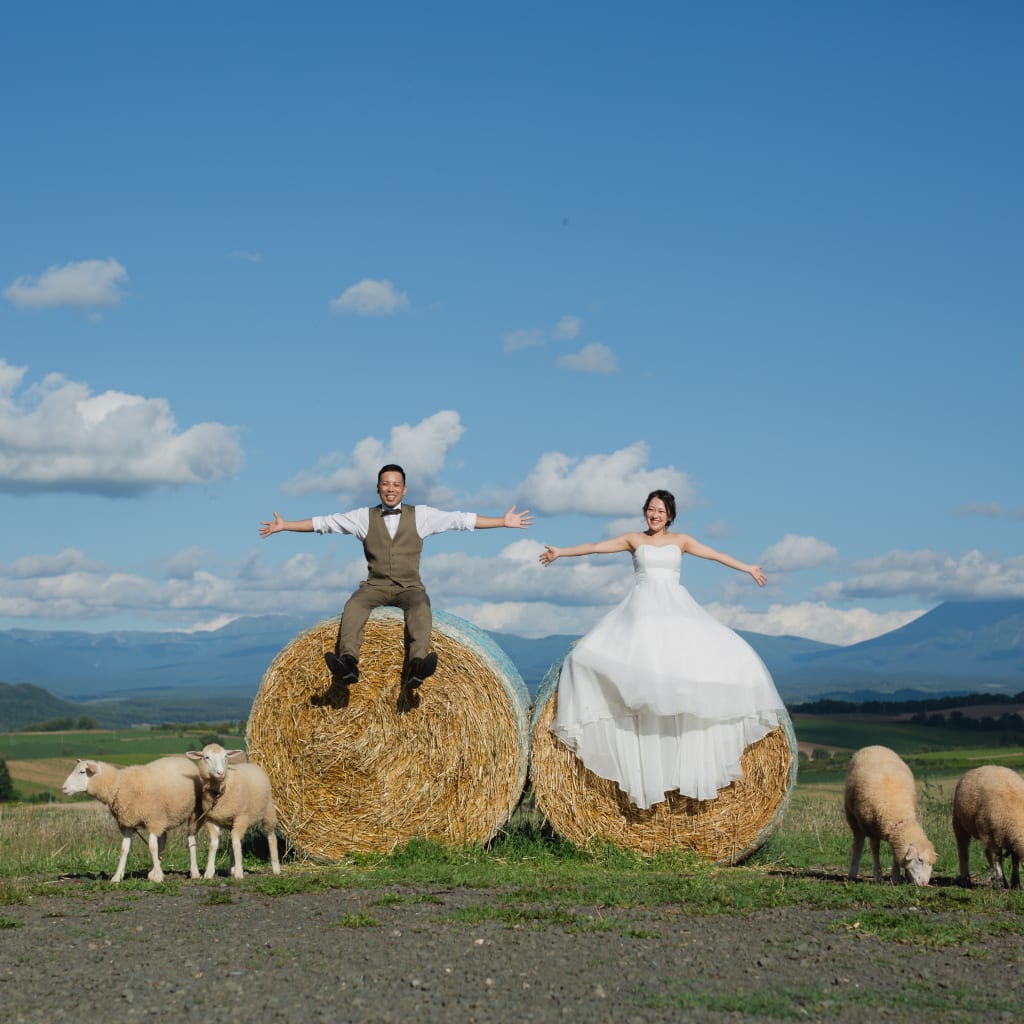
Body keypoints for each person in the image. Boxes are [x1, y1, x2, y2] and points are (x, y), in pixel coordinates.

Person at [538, 489, 786, 808]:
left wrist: (748, 568)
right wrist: (561, 551)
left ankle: (683, 761)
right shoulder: (633, 540)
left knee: (694, 668)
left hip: (675, 609)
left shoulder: (681, 541)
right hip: (641, 612)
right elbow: (595, 548)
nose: (655, 514)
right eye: (651, 509)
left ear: (670, 515)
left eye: (661, 510)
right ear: (645, 512)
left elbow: (714, 554)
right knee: (592, 660)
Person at [260, 464, 532, 710]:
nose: (390, 489)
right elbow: (324, 524)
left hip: (409, 587)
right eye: (385, 484)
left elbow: (460, 520)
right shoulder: (362, 517)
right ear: (378, 488)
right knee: (354, 604)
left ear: (404, 489)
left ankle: (417, 666)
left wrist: (501, 521)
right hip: (375, 586)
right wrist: (286, 526)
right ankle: (348, 664)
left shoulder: (422, 515)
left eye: (395, 485)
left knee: (420, 607)